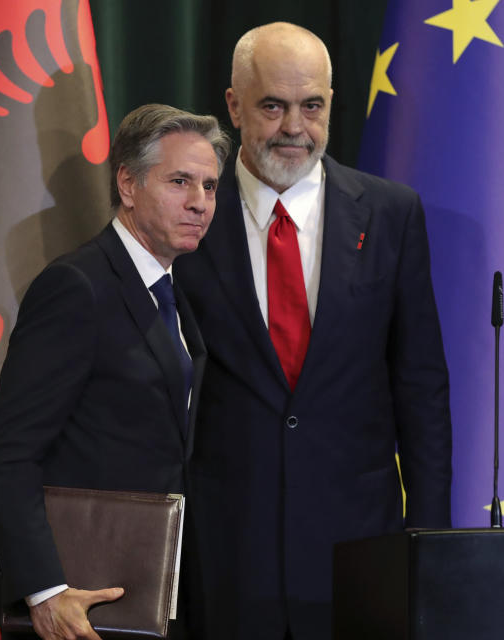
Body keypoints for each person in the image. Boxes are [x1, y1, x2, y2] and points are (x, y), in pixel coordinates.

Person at [173, 22, 452, 640]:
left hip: (359, 547)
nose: (295, 127)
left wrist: (430, 541)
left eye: (313, 106)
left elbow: (421, 388)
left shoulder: (390, 213)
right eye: (273, 105)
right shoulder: (187, 217)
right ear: (234, 105)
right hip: (224, 550)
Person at [0, 103, 230, 640]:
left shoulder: (172, 291)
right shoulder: (78, 286)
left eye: (209, 186)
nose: (200, 203)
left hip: (146, 591)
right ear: (128, 184)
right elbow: (7, 451)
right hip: (78, 603)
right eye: (180, 181)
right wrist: (45, 591)